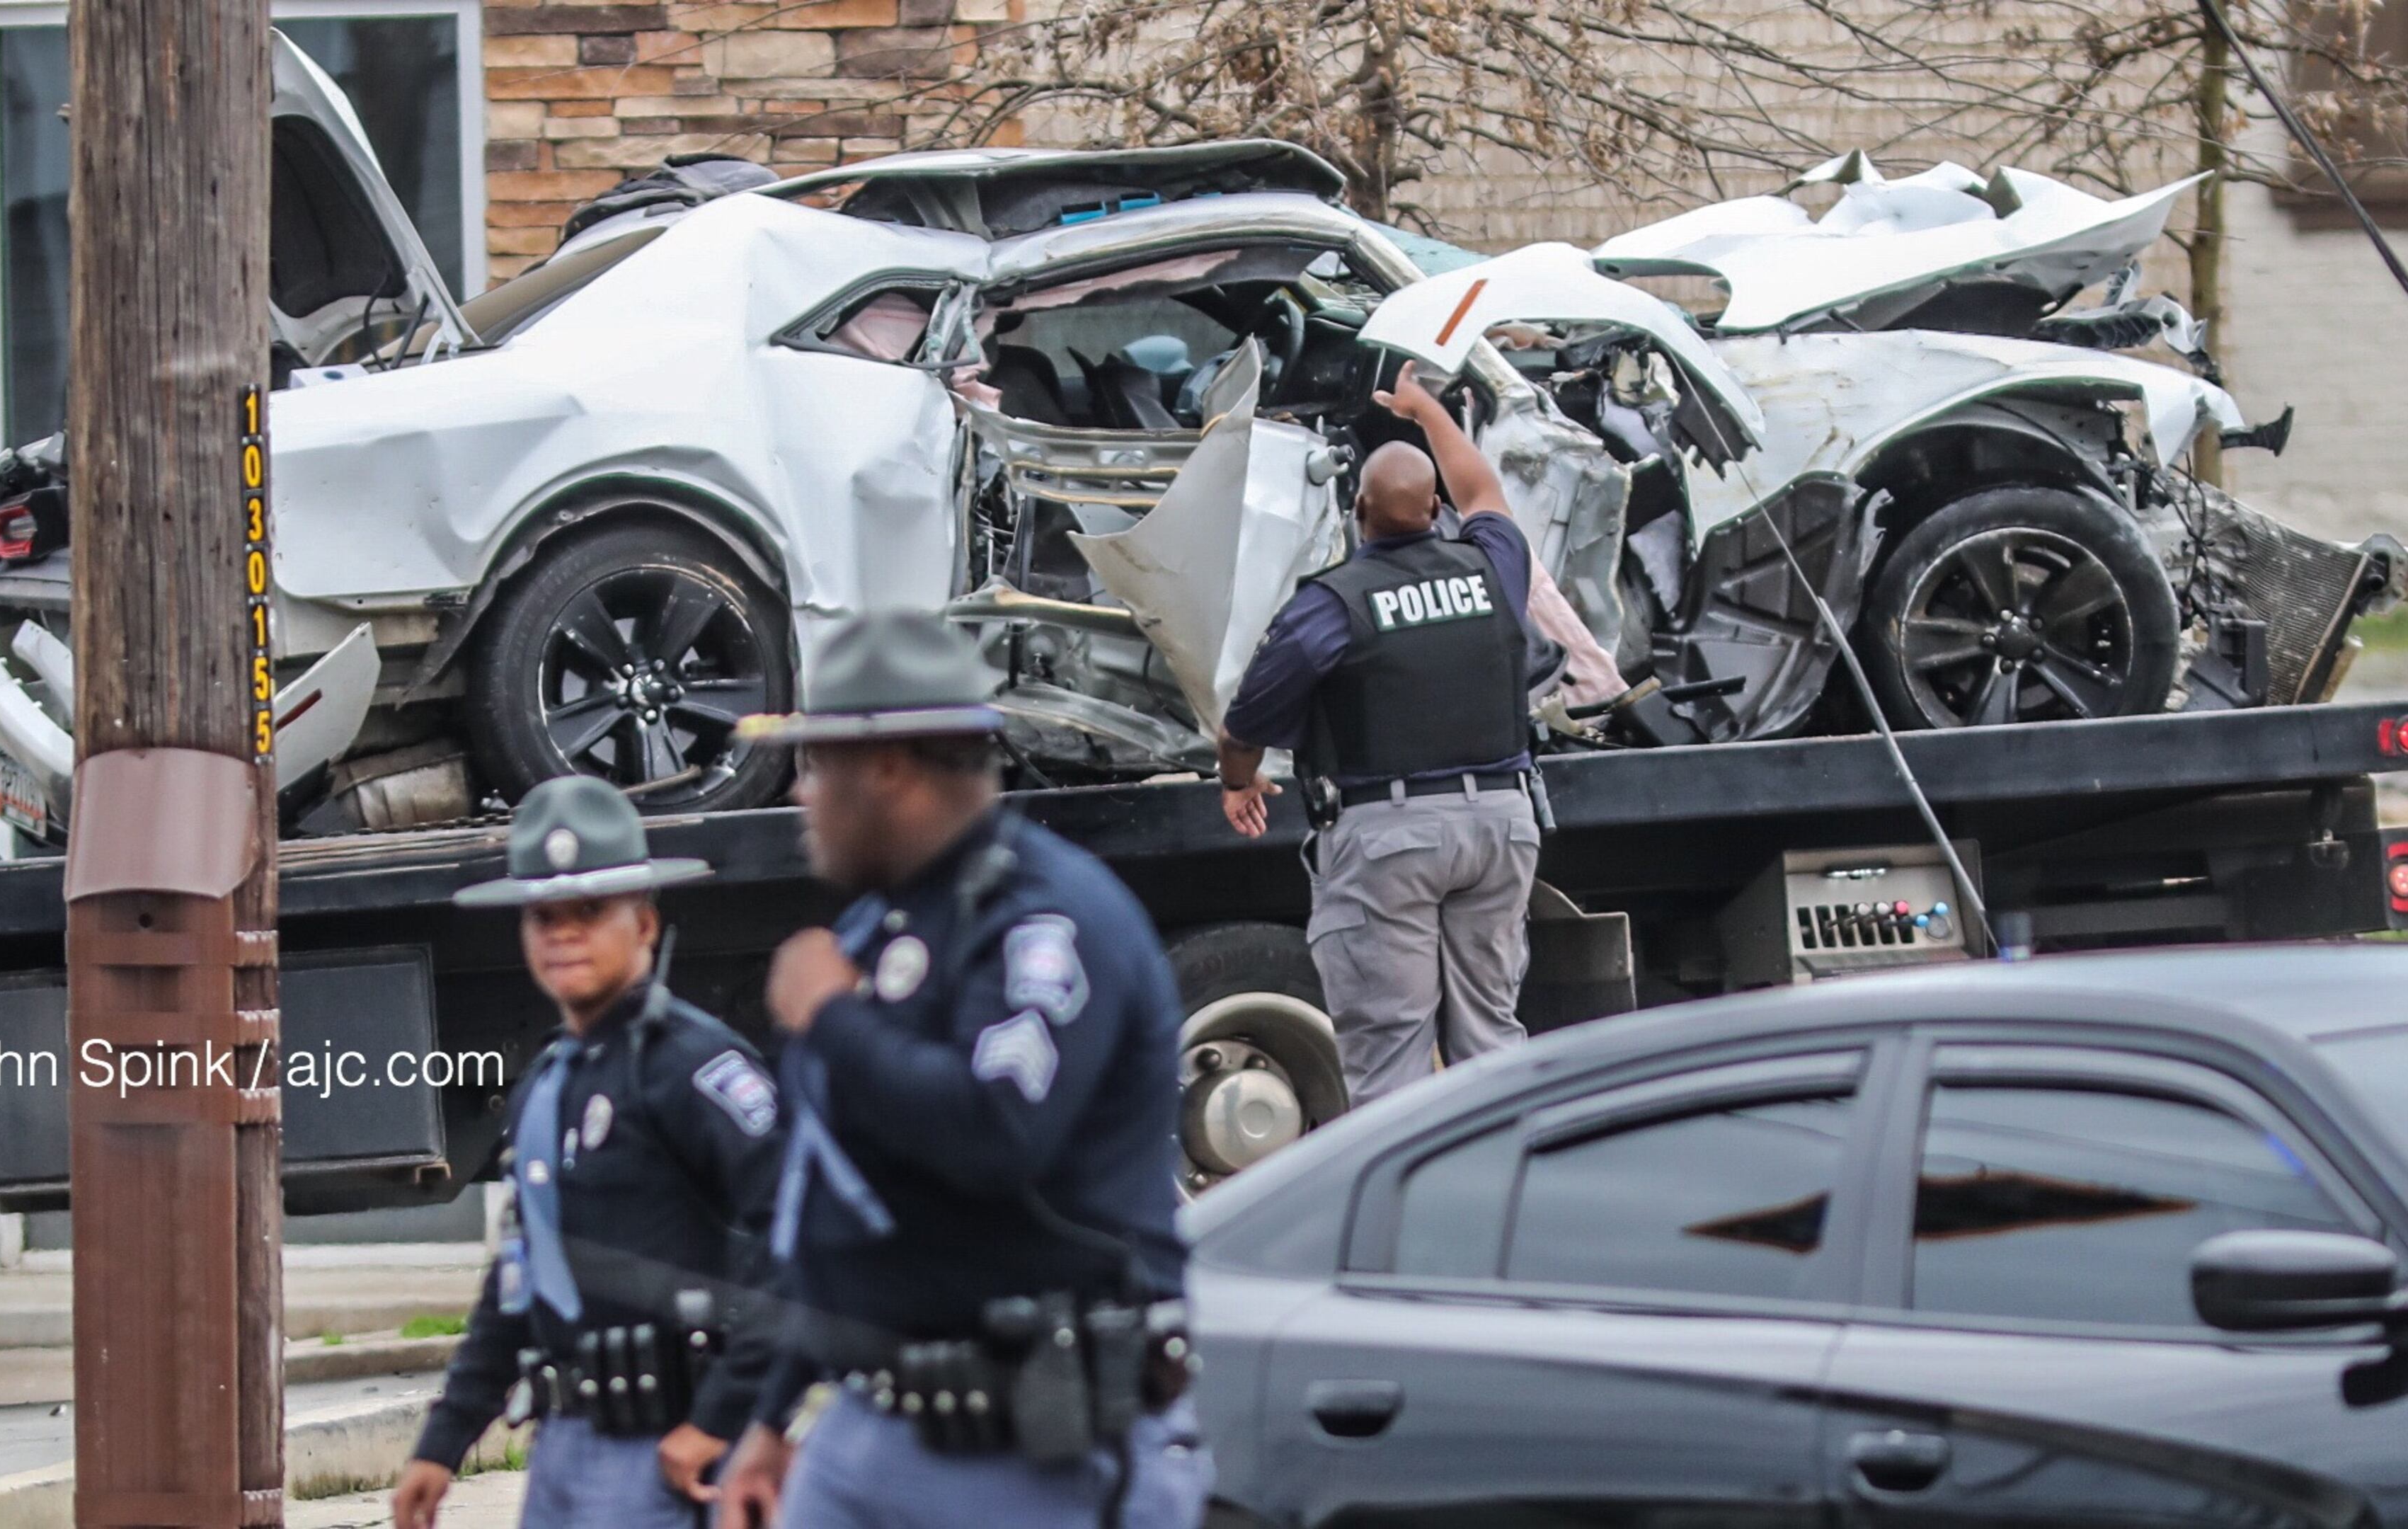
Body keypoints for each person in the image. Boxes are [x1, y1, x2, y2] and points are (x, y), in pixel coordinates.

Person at [711, 610, 1208, 1529]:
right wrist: (773, 1414)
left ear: (889, 768)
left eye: (816, 765)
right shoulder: (875, 927)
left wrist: (832, 1016)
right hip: (871, 1430)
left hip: (1036, 1452)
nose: (797, 795)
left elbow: (995, 1133)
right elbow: (830, 1201)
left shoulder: (1046, 919)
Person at [395, 776, 783, 1529]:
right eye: (543, 915)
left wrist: (727, 1417)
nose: (563, 933)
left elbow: (796, 1241)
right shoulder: (548, 1081)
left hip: (670, 1447)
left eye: (589, 912)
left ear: (643, 924)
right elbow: (519, 1280)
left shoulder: (695, 1067)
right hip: (564, 1446)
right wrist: (442, 1443)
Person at [1215, 360, 1549, 1106]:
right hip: (1502, 826)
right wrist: (1427, 411)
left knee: (1390, 1057)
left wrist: (1238, 780)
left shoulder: (1337, 603)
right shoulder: (1493, 568)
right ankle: (1499, 1206)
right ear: (1435, 509)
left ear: (1356, 507)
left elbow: (1247, 716)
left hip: (1390, 837)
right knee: (1490, 1041)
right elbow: (1484, 492)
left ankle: (1405, 1218)